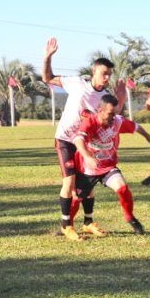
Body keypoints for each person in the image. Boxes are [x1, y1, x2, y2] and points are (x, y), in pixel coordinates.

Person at [42, 38, 129, 241]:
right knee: (69, 181)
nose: (106, 78)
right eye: (103, 73)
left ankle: (88, 222)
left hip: (87, 144)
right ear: (94, 71)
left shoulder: (106, 96)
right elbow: (47, 77)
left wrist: (121, 98)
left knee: (87, 185)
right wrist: (47, 57)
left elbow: (113, 116)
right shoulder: (76, 83)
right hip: (66, 140)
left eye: (109, 74)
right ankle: (66, 226)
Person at [69, 95, 150, 238]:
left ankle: (130, 218)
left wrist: (147, 136)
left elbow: (135, 126)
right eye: (110, 113)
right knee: (77, 198)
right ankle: (68, 226)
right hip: (88, 168)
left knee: (123, 188)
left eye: (115, 113)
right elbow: (79, 140)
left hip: (108, 167)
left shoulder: (117, 121)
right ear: (100, 111)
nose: (113, 117)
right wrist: (87, 156)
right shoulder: (90, 123)